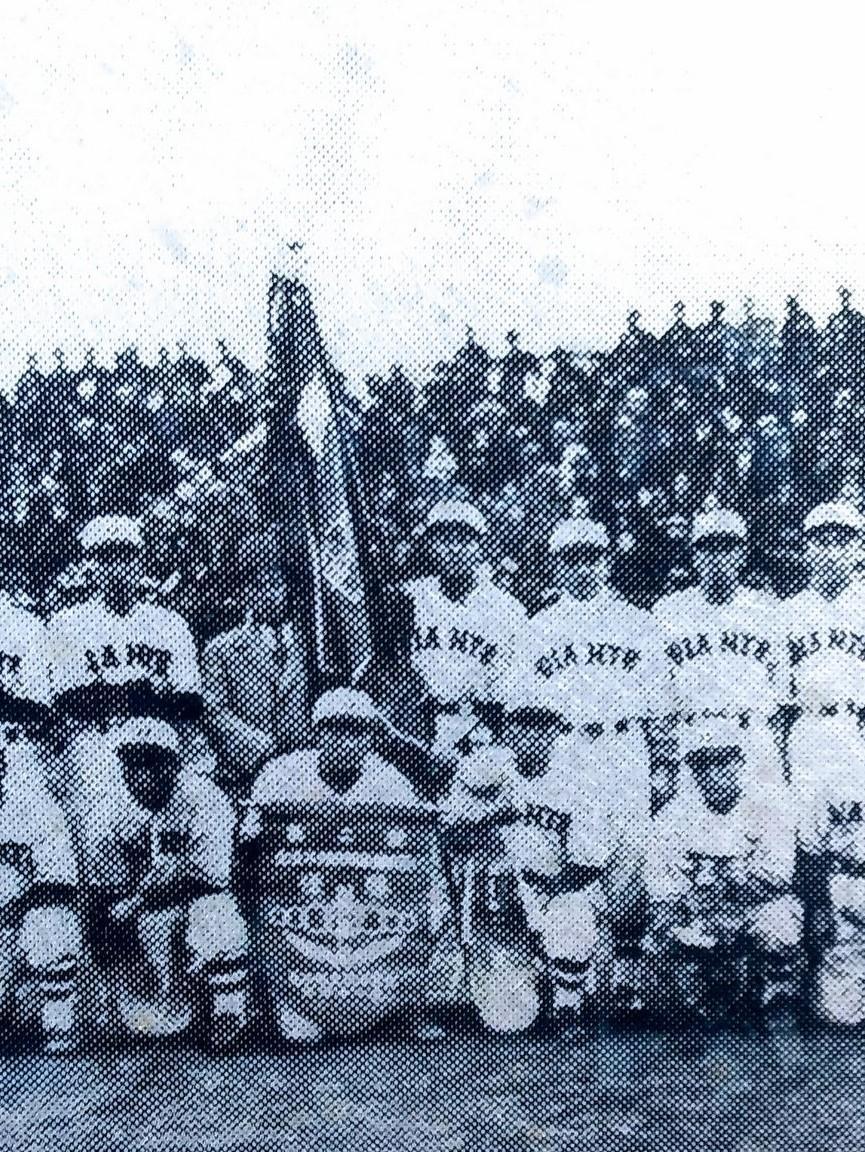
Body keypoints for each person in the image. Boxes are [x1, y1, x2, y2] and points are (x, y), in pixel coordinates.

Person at [240, 688, 453, 1043]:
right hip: (298, 907)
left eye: (356, 730)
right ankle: (276, 999)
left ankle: (408, 1003)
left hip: (366, 907)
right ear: (316, 733)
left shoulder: (389, 781)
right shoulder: (282, 773)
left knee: (433, 904)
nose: (345, 740)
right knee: (300, 1034)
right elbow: (249, 850)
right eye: (335, 729)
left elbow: (415, 856)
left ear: (370, 737)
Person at [76, 717, 248, 1048]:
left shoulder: (204, 798)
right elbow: (104, 890)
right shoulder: (109, 808)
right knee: (102, 923)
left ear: (172, 764)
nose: (142, 773)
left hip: (189, 915)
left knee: (218, 915)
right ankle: (121, 1003)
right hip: (142, 923)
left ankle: (227, 1012)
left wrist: (142, 897)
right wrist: (114, 931)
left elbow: (213, 879)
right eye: (133, 761)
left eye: (152, 761)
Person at [645, 737, 802, 1029]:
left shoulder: (766, 809)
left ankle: (773, 1002)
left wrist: (729, 903)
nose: (715, 773)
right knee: (657, 940)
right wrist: (684, 920)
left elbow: (779, 878)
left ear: (741, 763)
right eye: (704, 764)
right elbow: (660, 889)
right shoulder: (672, 818)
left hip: (748, 912)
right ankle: (687, 1008)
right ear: (692, 771)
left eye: (724, 761)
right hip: (697, 916)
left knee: (781, 920)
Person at [46, 514, 204, 802]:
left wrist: (115, 694)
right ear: (88, 566)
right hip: (95, 754)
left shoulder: (170, 624)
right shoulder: (67, 623)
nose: (117, 568)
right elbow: (69, 704)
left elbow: (189, 705)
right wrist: (142, 693)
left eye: (125, 556)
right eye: (105, 558)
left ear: (140, 561)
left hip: (160, 754)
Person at [782, 499, 865, 1023]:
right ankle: (819, 974)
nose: (831, 552)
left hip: (858, 729)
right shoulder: (787, 612)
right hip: (809, 734)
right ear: (807, 549)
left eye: (842, 541)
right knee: (813, 858)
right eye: (821, 541)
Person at [0, 544, 82, 1052]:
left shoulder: (25, 626)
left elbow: (40, 712)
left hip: (19, 756)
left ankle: (58, 1017)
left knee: (51, 915)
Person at [652, 507, 788, 804]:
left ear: (742, 553)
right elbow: (660, 697)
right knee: (695, 838)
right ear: (693, 554)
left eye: (727, 547)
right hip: (694, 740)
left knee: (762, 831)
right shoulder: (669, 611)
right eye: (708, 547)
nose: (717, 559)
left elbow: (780, 697)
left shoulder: (766, 610)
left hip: (750, 735)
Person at [399, 499, 527, 758]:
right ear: (430, 545)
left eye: (465, 539)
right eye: (444, 539)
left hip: (480, 732)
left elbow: (511, 689)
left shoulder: (507, 610)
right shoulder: (408, 599)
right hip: (416, 730)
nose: (455, 548)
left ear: (480, 546)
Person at [201, 548, 308, 793]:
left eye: (277, 585)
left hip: (303, 777)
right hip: (244, 779)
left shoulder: (308, 648)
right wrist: (262, 750)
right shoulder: (221, 649)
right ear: (246, 593)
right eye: (259, 586)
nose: (271, 595)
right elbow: (215, 713)